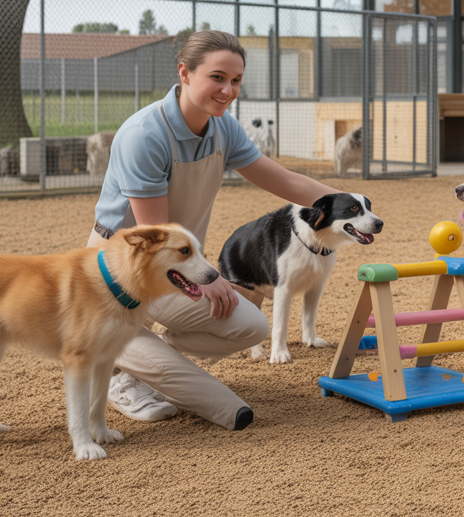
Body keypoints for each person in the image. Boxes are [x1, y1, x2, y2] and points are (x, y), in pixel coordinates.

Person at [88, 30, 338, 430]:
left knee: (250, 323)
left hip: (176, 261)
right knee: (224, 405)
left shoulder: (223, 129)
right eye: (218, 77)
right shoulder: (145, 135)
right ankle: (119, 372)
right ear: (185, 73)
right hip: (120, 267)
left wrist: (350, 203)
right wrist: (207, 277)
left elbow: (287, 182)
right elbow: (156, 235)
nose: (228, 90)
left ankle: (145, 352)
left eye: (236, 80)